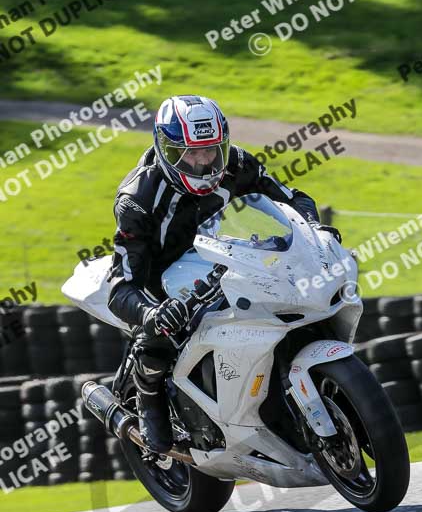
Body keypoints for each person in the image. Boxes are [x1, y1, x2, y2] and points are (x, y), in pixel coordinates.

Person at [107, 95, 341, 453]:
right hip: (159, 278)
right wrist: (153, 313)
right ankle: (148, 397)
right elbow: (121, 286)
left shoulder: (236, 163)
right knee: (158, 339)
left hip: (219, 257)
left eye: (211, 151)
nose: (203, 162)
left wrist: (313, 229)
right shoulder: (137, 199)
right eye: (191, 153)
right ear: (167, 150)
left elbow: (292, 199)